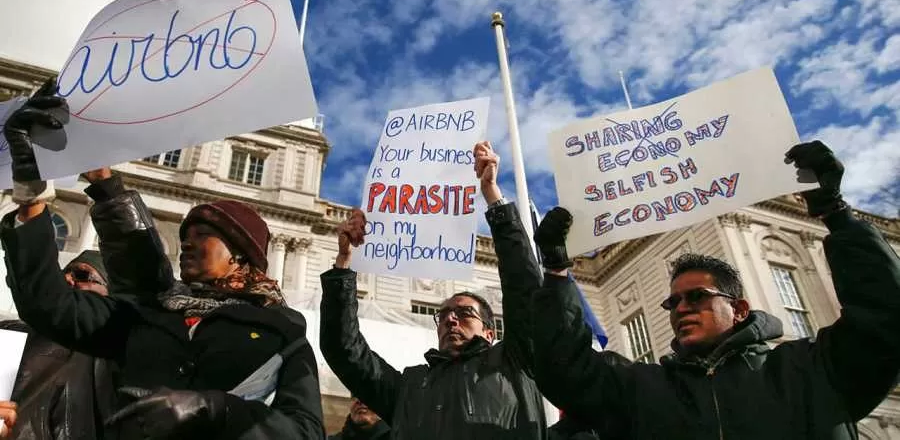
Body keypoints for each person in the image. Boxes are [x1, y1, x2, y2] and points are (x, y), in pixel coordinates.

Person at [1, 78, 326, 440]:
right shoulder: (146, 313)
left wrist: (215, 408)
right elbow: (48, 303)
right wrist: (31, 195)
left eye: (203, 236)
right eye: (185, 236)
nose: (187, 244)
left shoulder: (283, 329)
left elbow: (305, 430)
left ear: (239, 253)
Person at [530, 141, 900, 439]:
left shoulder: (810, 371)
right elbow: (565, 370)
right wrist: (558, 274)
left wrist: (835, 213)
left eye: (696, 296)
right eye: (672, 302)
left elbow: (883, 318)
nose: (680, 309)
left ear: (739, 309)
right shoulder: (643, 391)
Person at [319, 141, 548, 439]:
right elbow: (342, 349)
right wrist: (344, 264)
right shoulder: (409, 386)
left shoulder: (515, 361)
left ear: (491, 332)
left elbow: (523, 286)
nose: (451, 319)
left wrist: (493, 197)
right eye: (443, 315)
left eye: (465, 313)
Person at [0, 250, 116, 440]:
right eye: (64, 272)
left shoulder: (108, 363)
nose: (67, 278)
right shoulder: (8, 332)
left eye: (82, 276)